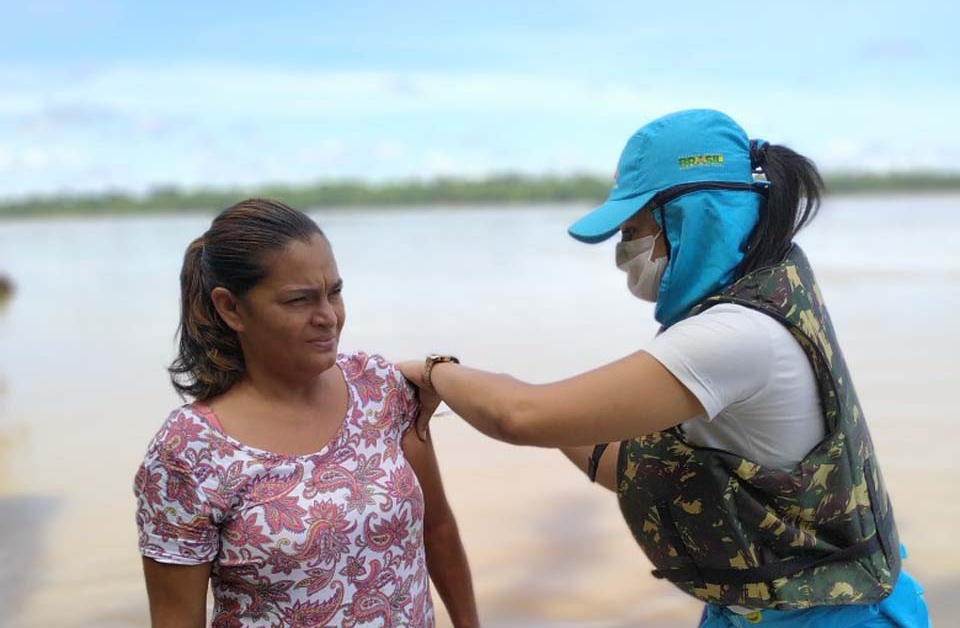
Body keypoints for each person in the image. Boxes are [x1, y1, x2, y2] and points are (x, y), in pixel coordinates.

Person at [400, 110, 930, 627]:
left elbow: (517, 416)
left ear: (692, 216)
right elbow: (632, 466)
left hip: (828, 616)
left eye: (632, 229)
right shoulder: (773, 287)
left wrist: (436, 371)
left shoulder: (734, 335)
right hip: (775, 605)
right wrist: (562, 422)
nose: (623, 253)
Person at [134, 198, 478, 628]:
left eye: (335, 292)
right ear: (231, 308)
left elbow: (437, 528)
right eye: (300, 300)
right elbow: (175, 619)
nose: (328, 317)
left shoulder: (379, 388)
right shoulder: (189, 451)